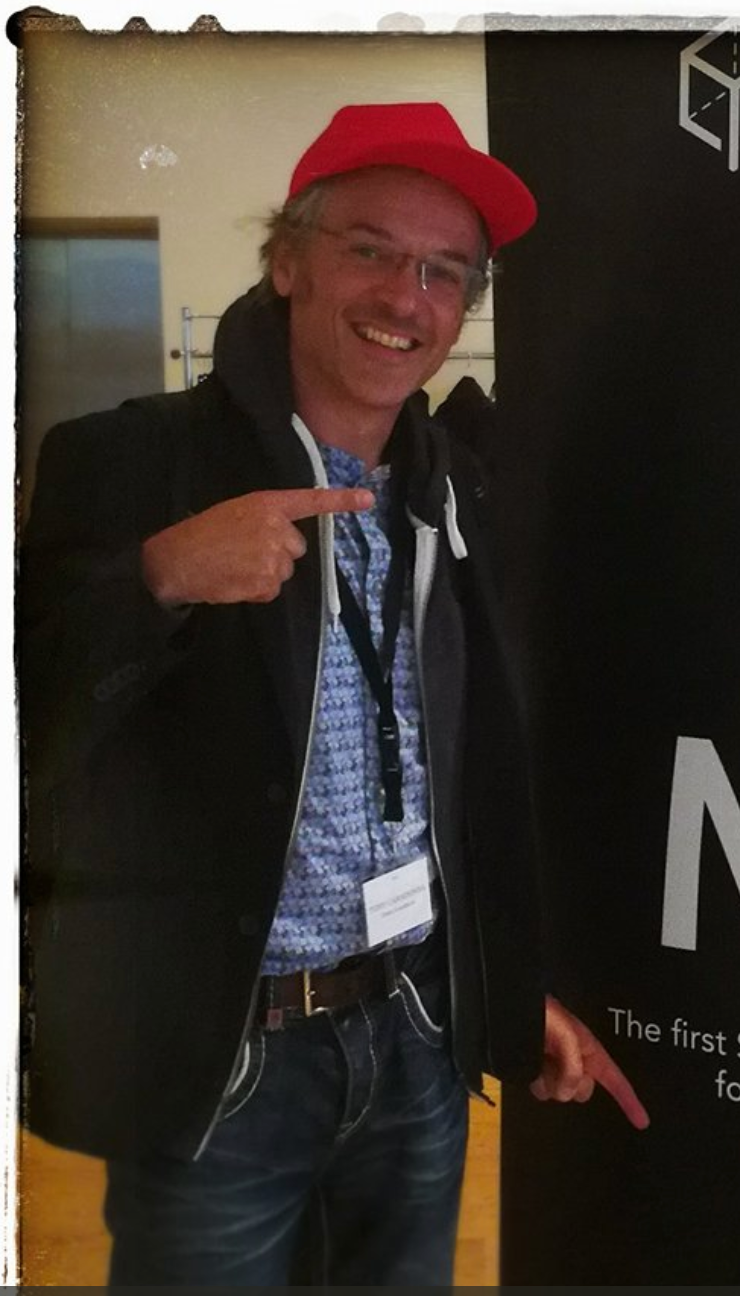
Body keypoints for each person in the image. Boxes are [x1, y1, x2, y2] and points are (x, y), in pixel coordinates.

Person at [19, 101, 647, 1286]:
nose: (407, 296)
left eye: (443, 271)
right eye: (370, 249)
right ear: (287, 260)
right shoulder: (130, 459)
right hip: (227, 1055)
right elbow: (31, 720)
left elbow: (471, 770)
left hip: (414, 1031)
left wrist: (506, 992)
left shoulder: (456, 488)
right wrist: (158, 580)